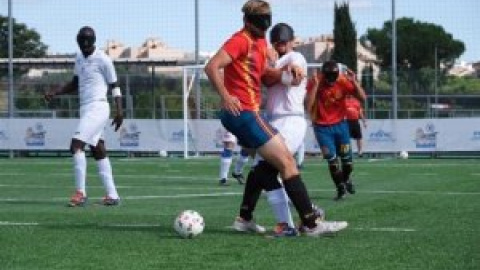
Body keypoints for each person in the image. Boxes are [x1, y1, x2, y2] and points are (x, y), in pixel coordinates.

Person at [205, 0, 347, 237]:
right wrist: (226, 96)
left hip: (250, 115)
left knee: (267, 167)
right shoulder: (240, 40)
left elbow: (266, 72)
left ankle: (249, 218)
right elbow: (211, 67)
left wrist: (287, 72)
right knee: (285, 164)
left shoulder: (260, 42)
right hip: (244, 114)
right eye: (261, 25)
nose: (265, 31)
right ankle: (308, 224)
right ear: (248, 22)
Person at [44, 26, 123, 207]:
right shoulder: (79, 58)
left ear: (93, 41)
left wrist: (120, 111)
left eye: (88, 42)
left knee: (76, 145)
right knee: (98, 149)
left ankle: (81, 193)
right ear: (78, 42)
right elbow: (75, 83)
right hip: (86, 108)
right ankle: (113, 195)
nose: (85, 45)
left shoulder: (104, 59)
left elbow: (115, 85)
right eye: (82, 42)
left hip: (99, 107)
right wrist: (56, 92)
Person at [305, 60, 367, 201]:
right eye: (329, 77)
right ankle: (340, 188)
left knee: (348, 163)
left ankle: (345, 180)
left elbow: (362, 98)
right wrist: (315, 86)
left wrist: (354, 81)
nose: (332, 81)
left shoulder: (343, 81)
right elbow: (308, 106)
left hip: (341, 126)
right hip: (322, 128)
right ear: (324, 74)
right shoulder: (316, 81)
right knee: (332, 161)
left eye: (334, 77)